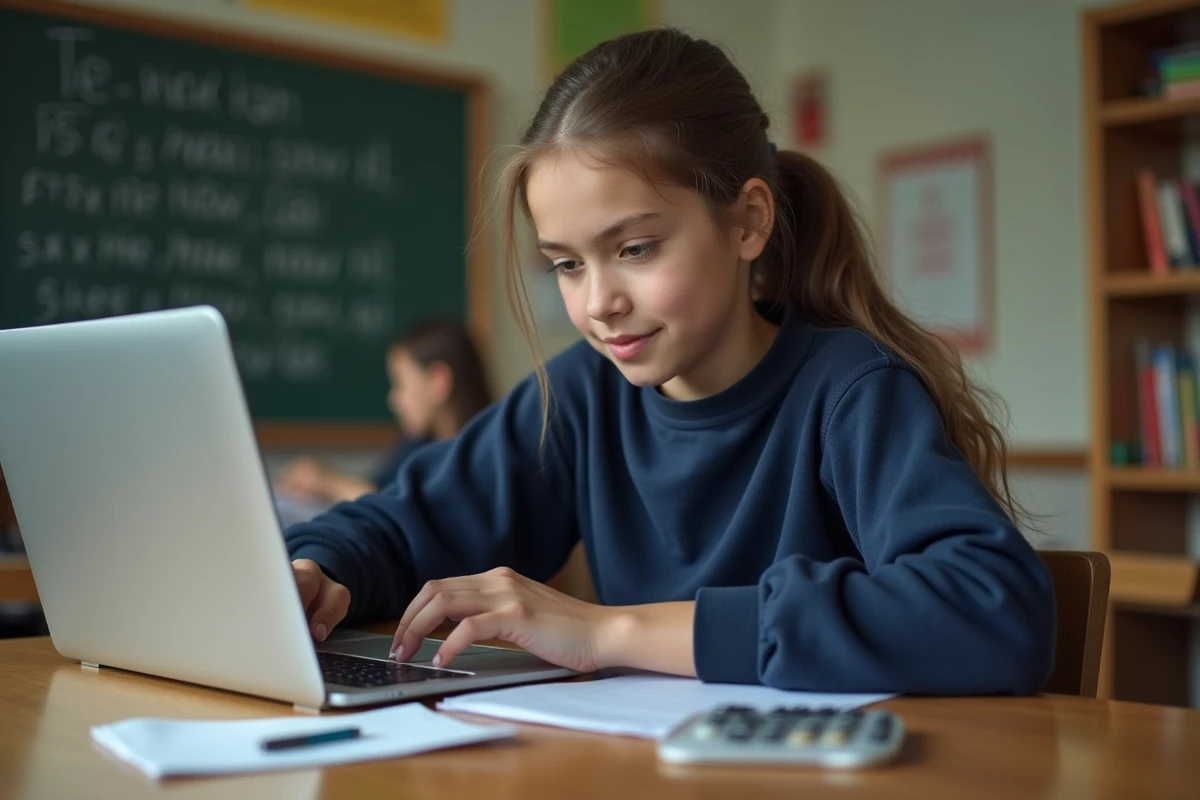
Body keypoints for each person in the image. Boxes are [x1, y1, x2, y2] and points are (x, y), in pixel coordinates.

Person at [285, 28, 1055, 694]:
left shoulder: (849, 391)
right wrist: (318, 570)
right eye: (567, 264)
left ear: (749, 220)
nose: (598, 302)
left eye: (635, 249)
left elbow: (993, 607)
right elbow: (407, 523)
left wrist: (611, 633)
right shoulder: (585, 396)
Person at [275, 318, 492, 507]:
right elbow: (379, 490)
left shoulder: (483, 459)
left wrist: (327, 482)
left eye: (401, 384)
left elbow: (399, 513)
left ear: (438, 381)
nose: (394, 400)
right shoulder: (417, 443)